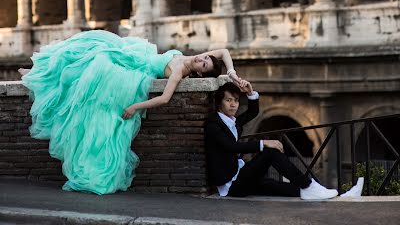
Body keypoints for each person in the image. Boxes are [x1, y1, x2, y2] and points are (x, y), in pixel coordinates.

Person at [19, 29, 244, 195]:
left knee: (92, 61)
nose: (201, 58)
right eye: (204, 58)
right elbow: (223, 51)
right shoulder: (192, 59)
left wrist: (135, 106)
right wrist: (232, 73)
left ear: (198, 74)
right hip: (137, 55)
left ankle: (38, 75)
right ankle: (38, 71)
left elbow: (164, 99)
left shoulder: (178, 71)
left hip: (134, 67)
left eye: (203, 64)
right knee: (88, 45)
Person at [204, 82, 339, 201]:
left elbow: (252, 112)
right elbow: (232, 146)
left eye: (236, 100)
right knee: (270, 152)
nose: (233, 104)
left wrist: (250, 93)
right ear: (219, 103)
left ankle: (321, 192)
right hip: (231, 184)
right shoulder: (213, 125)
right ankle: (308, 185)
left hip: (240, 176)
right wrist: (264, 143)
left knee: (273, 186)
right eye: (228, 100)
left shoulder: (232, 122)